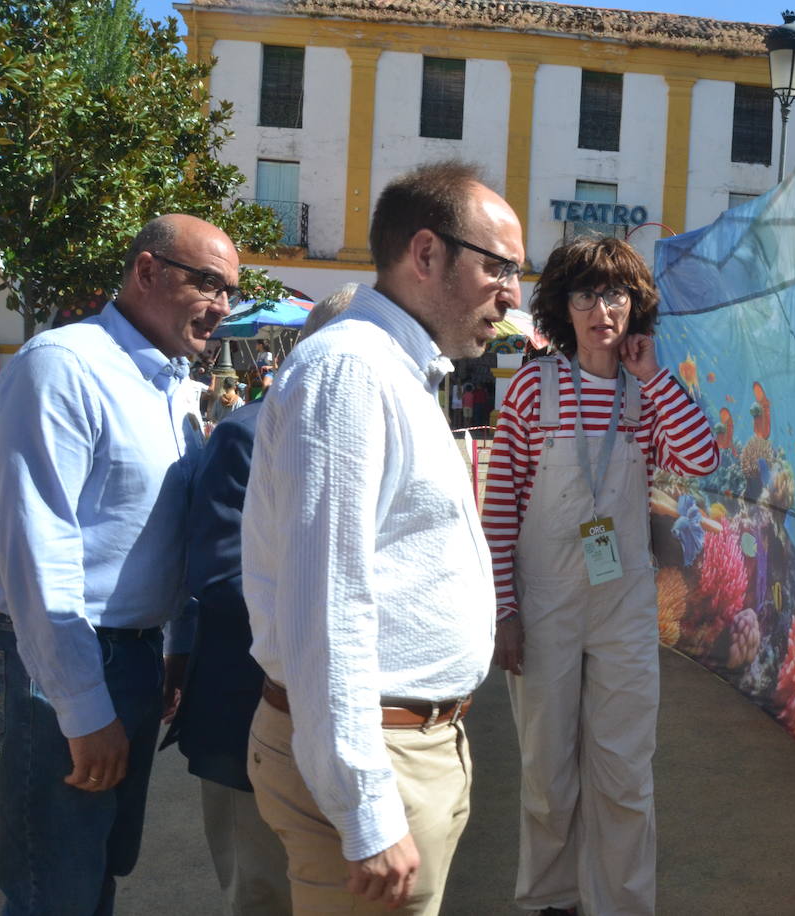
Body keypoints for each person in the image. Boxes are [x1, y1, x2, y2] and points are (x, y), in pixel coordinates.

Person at [242, 161, 518, 914]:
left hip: (409, 745)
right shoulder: (352, 373)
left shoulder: (393, 371)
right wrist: (365, 808)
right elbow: (325, 607)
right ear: (425, 254)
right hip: (380, 753)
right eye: (498, 266)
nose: (513, 293)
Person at [0, 213, 239, 913]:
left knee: (95, 871)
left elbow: (166, 532)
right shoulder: (63, 367)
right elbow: (37, 550)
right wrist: (82, 704)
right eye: (209, 283)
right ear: (146, 272)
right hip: (55, 658)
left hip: (128, 656)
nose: (222, 305)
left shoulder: (170, 385)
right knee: (53, 888)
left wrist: (173, 652)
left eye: (231, 291)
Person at [482, 237, 720, 915]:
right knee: (546, 775)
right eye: (584, 294)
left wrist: (653, 378)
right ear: (563, 306)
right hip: (544, 602)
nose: (601, 309)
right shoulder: (534, 385)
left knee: (624, 773)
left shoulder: (646, 394)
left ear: (634, 305)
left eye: (615, 294)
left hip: (623, 606)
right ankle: (548, 900)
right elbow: (500, 508)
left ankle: (618, 903)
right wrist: (505, 611)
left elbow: (701, 460)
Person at [162, 283, 357, 916]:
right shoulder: (247, 435)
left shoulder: (364, 438)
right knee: (263, 894)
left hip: (341, 730)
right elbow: (221, 580)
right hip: (250, 718)